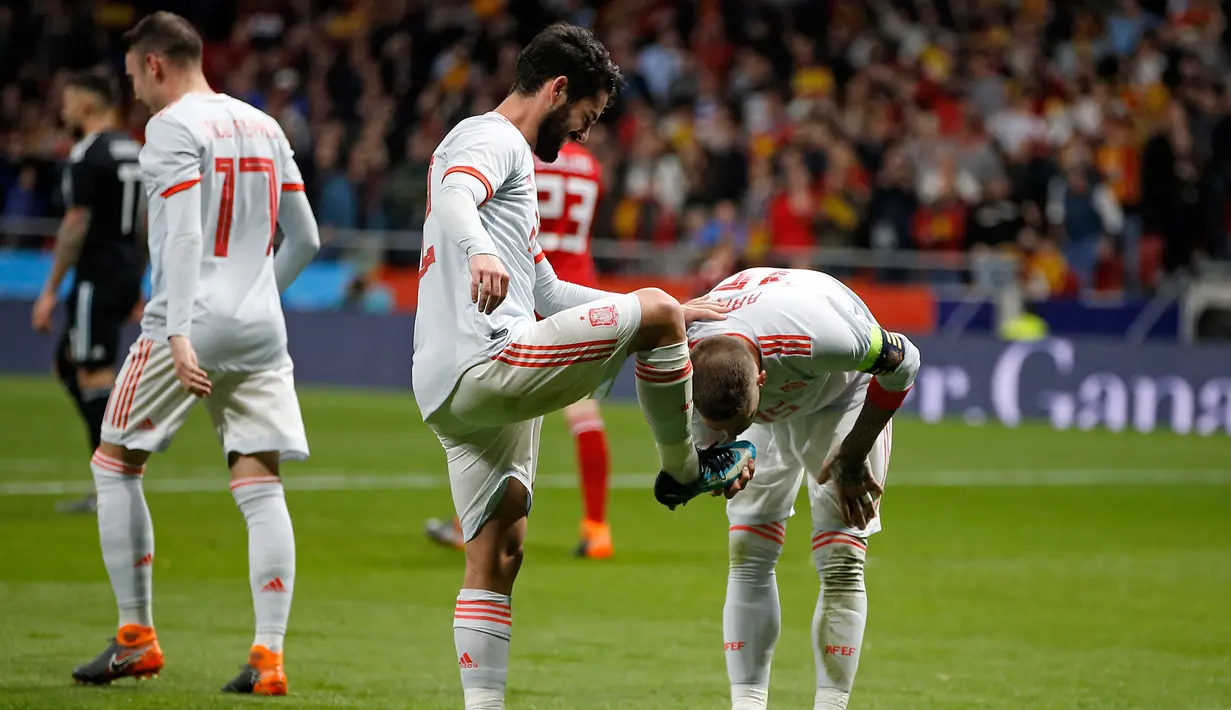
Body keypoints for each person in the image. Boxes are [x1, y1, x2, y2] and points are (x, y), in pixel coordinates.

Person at [411, 22, 755, 710]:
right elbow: (453, 193)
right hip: (490, 356)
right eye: (586, 116)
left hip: (450, 383)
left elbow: (545, 291)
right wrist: (479, 250)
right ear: (558, 88)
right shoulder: (494, 137)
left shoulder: (513, 166)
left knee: (498, 552)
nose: (585, 133)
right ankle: (686, 470)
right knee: (653, 311)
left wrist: (677, 315)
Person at [70, 12, 321, 696]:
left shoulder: (172, 128)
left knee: (115, 461)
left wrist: (180, 331)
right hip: (261, 326)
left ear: (154, 64)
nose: (134, 92)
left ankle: (135, 637)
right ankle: (269, 658)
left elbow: (179, 237)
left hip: (190, 321)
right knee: (260, 482)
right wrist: (255, 295)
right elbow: (306, 239)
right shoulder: (264, 124)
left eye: (133, 77)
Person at [686, 267, 921, 710]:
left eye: (736, 428)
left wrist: (854, 454)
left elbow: (905, 361)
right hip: (753, 389)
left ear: (761, 380)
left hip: (838, 394)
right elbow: (681, 446)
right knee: (748, 551)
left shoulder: (824, 335)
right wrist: (704, 459)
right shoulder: (674, 353)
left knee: (842, 559)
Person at [424, 140, 617, 559]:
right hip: (580, 287)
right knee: (584, 415)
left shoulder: (520, 155)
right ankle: (597, 528)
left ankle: (470, 525)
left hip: (529, 283)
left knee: (499, 410)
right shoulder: (590, 164)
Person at [31, 70, 145, 514]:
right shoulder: (133, 149)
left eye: (69, 99)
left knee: (93, 373)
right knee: (70, 360)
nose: (63, 108)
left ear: (89, 104)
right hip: (123, 271)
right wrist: (139, 279)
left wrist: (49, 290)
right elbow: (144, 223)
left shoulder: (88, 154)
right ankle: (115, 458)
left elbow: (76, 224)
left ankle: (112, 486)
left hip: (97, 275)